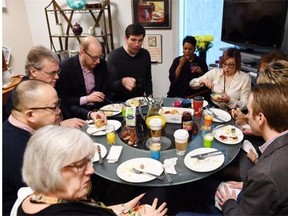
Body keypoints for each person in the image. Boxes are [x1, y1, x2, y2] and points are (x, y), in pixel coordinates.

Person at [177, 84, 288, 215]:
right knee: (202, 186)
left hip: (239, 208)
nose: (247, 116)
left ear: (260, 118)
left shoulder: (263, 174)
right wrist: (248, 186)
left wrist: (229, 202)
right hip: (258, 198)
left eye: (249, 112)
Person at [14, 125, 168, 215]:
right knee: (161, 193)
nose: (91, 170)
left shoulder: (35, 199)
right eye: (80, 165)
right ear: (50, 170)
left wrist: (122, 207)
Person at [4, 45, 105, 128]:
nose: (57, 77)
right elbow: (27, 134)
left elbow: (67, 105)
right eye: (52, 73)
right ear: (33, 72)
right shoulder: (18, 96)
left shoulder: (50, 83)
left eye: (57, 72)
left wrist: (90, 114)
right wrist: (60, 126)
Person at [2, 80, 62, 215]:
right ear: (30, 115)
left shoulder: (16, 127)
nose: (59, 111)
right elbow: (44, 203)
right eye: (54, 107)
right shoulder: (21, 152)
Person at [56, 36, 110, 120]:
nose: (98, 61)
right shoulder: (65, 68)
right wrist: (86, 99)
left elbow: (106, 91)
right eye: (94, 57)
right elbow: (64, 100)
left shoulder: (102, 65)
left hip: (100, 111)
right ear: (81, 53)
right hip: (77, 115)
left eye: (100, 56)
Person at [107, 23, 153, 102]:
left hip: (139, 101)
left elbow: (148, 79)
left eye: (140, 40)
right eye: (133, 40)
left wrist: (150, 96)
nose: (137, 44)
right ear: (126, 39)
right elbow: (110, 86)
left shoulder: (145, 54)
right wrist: (122, 82)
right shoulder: (114, 56)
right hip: (119, 102)